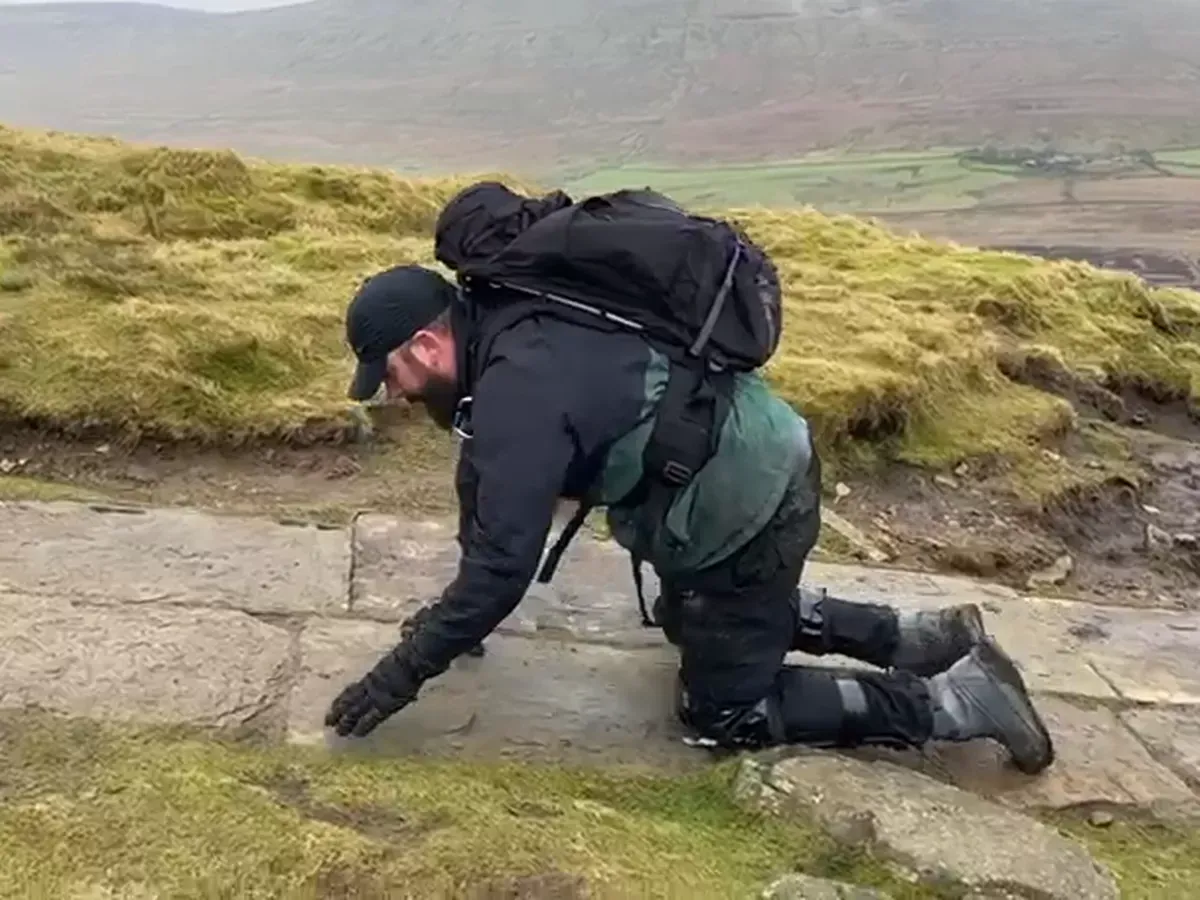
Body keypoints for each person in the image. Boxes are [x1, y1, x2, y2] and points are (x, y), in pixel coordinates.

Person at [324, 184, 1054, 776]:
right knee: (700, 617)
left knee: (723, 712)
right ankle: (923, 635)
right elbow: (483, 485)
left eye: (389, 374)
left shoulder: (519, 387)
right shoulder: (510, 317)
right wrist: (454, 626)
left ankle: (960, 701)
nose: (392, 393)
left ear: (424, 342)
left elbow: (501, 569)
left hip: (749, 501)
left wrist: (399, 676)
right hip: (747, 454)